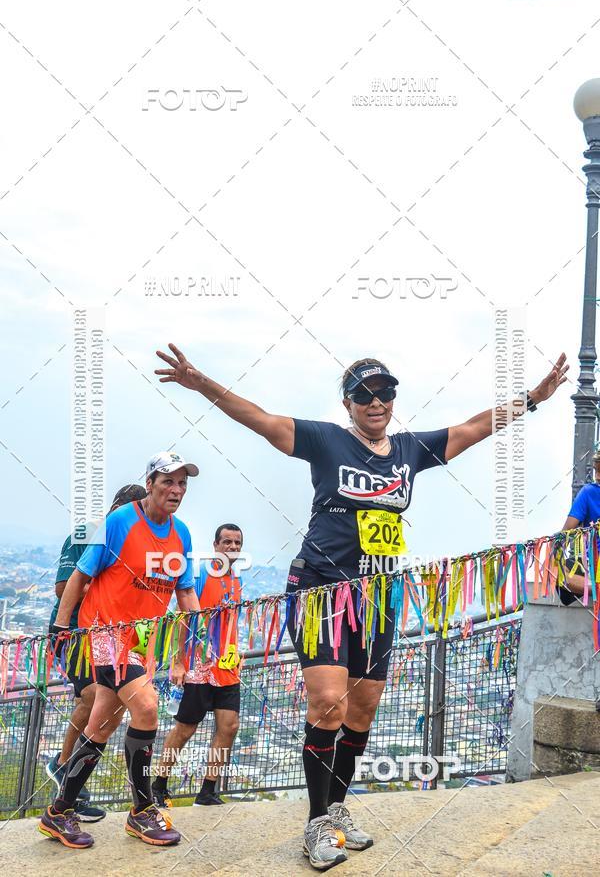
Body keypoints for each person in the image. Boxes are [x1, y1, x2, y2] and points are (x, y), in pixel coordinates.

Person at [155, 343, 568, 870]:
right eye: (364, 395)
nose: (376, 403)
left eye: (385, 394)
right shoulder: (326, 442)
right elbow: (258, 418)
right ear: (347, 403)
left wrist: (534, 397)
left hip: (377, 596)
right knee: (327, 701)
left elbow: (473, 427)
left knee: (363, 707)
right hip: (321, 589)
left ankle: (337, 809)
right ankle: (316, 824)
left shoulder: (408, 451)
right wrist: (201, 382)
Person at [39, 451, 201, 850]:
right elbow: (79, 576)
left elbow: (185, 593)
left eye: (182, 483)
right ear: (150, 484)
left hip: (142, 642)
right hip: (104, 634)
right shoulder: (120, 521)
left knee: (101, 727)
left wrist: (193, 645)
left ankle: (58, 812)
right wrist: (62, 627)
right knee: (146, 707)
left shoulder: (182, 534)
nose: (176, 490)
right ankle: (143, 810)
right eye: (168, 481)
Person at [46, 484, 147, 822]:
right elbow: (63, 587)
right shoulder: (87, 534)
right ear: (118, 509)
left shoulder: (137, 541)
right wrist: (109, 583)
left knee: (106, 712)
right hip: (75, 632)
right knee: (91, 698)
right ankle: (63, 767)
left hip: (112, 636)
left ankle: (69, 784)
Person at [152, 523, 243, 808]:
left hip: (227, 667)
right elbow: (184, 615)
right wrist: (178, 661)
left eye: (237, 543)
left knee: (229, 727)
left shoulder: (235, 578)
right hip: (198, 666)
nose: (232, 548)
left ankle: (207, 791)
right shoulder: (203, 573)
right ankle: (159, 785)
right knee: (186, 728)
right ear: (215, 545)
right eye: (226, 542)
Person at [558, 448, 600, 604]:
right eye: (596, 470)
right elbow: (567, 532)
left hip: (593, 563)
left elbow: (565, 533)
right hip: (592, 562)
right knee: (560, 571)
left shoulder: (588, 492)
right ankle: (596, 589)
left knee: (557, 572)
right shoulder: (589, 492)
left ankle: (595, 589)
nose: (597, 476)